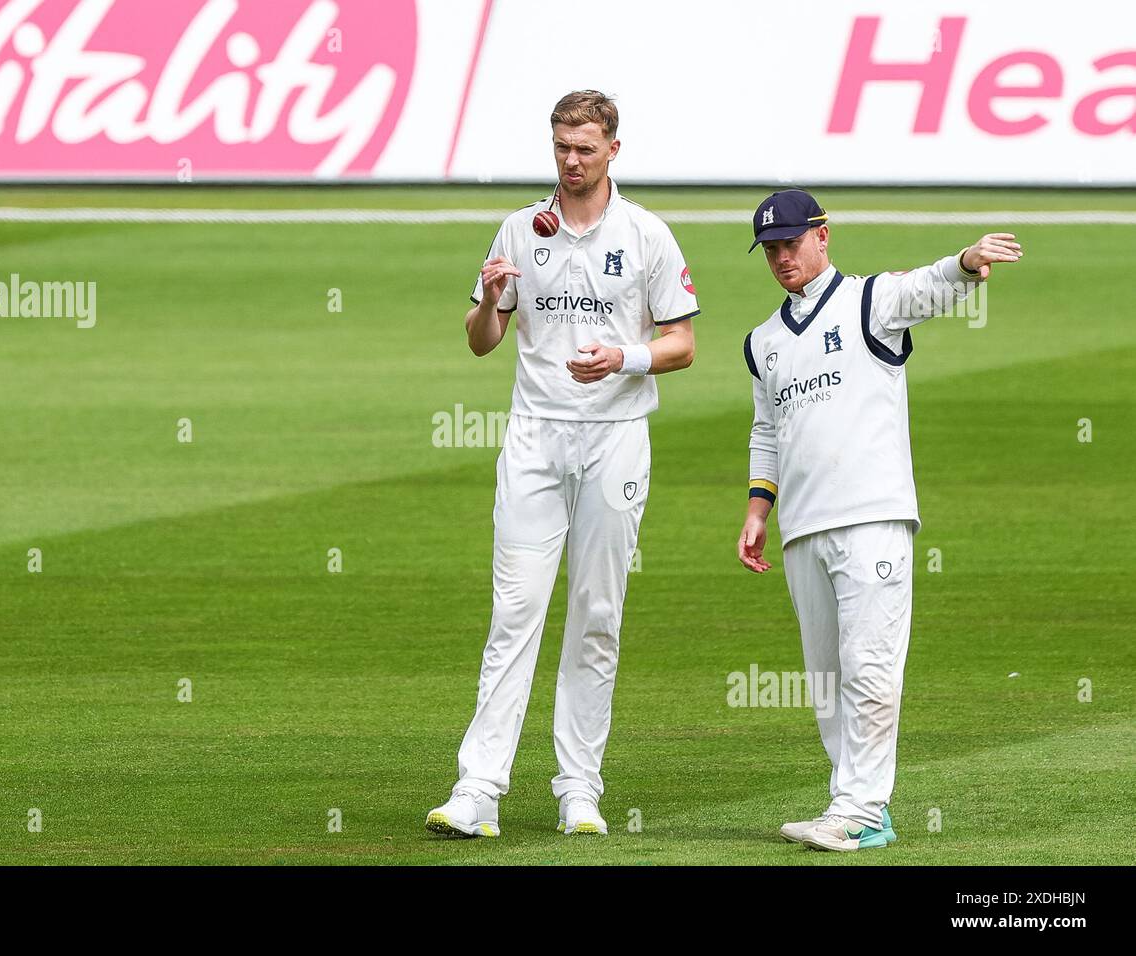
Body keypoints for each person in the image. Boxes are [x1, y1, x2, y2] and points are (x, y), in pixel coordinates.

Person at [425, 90, 698, 837]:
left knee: (598, 615)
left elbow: (682, 343)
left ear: (614, 149)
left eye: (584, 147)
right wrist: (486, 300)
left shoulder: (646, 235)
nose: (571, 161)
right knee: (514, 610)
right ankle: (477, 789)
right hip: (535, 437)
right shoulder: (521, 228)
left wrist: (624, 357)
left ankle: (580, 788)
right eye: (560, 147)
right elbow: (483, 340)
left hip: (615, 437)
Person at [737, 188, 1022, 851]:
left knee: (870, 667)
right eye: (771, 249)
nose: (782, 258)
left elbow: (926, 288)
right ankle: (857, 805)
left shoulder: (870, 300)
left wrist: (964, 261)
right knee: (829, 681)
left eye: (791, 243)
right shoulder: (764, 342)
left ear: (823, 236)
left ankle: (860, 807)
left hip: (873, 516)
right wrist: (758, 509)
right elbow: (766, 432)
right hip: (802, 527)